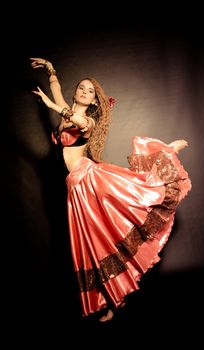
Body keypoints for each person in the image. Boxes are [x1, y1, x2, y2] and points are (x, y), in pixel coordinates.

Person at [30, 57, 192, 322]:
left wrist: (49, 105)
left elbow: (79, 123)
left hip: (90, 181)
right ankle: (114, 298)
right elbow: (60, 96)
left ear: (94, 101)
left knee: (128, 211)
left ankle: (167, 151)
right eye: (81, 88)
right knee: (97, 243)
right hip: (75, 190)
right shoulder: (68, 110)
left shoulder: (87, 120)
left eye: (89, 91)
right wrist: (51, 71)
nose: (83, 91)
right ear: (76, 93)